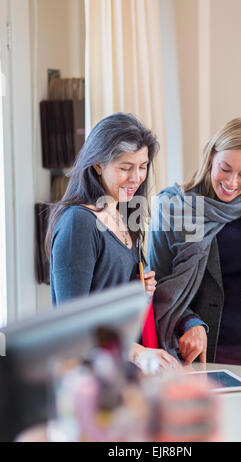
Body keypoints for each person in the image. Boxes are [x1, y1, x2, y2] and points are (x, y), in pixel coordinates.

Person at [147, 118, 241, 369]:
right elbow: (160, 284)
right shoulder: (176, 206)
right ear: (210, 158)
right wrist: (189, 322)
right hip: (204, 349)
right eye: (225, 169)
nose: (231, 183)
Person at [45, 112, 180, 371]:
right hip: (91, 380)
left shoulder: (124, 216)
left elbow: (107, 294)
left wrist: (138, 290)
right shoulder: (79, 223)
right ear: (97, 164)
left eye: (142, 166)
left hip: (122, 374)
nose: (136, 177)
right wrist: (137, 352)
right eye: (125, 167)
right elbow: (73, 322)